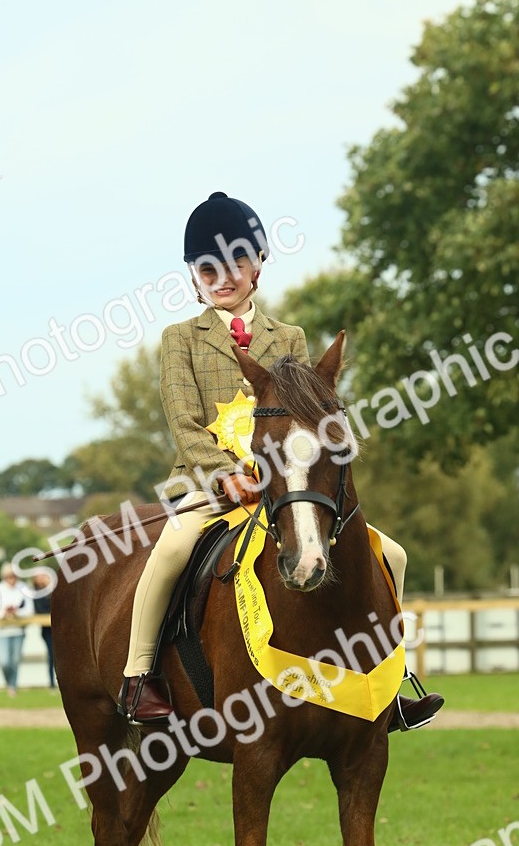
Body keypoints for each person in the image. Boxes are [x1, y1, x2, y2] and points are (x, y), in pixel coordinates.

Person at [118, 191, 443, 733]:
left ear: (258, 265)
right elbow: (184, 423)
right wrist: (227, 472)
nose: (222, 277)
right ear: (194, 276)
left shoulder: (287, 337)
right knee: (172, 546)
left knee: (395, 555)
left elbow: (306, 417)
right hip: (209, 482)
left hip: (285, 487)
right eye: (208, 268)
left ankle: (389, 677)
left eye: (236, 263)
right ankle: (139, 674)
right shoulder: (181, 341)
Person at [0, 563, 33, 697]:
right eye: (8, 576)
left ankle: (12, 687)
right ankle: (9, 683)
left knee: (15, 660)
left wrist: (17, 612)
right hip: (3, 630)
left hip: (19, 630)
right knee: (4, 661)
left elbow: (29, 610)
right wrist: (3, 613)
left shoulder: (24, 588)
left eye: (13, 576)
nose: (11, 579)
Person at [32, 570, 56, 690]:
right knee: (52, 655)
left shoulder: (54, 590)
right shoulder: (36, 593)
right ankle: (52, 683)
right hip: (47, 630)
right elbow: (41, 609)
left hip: (59, 630)